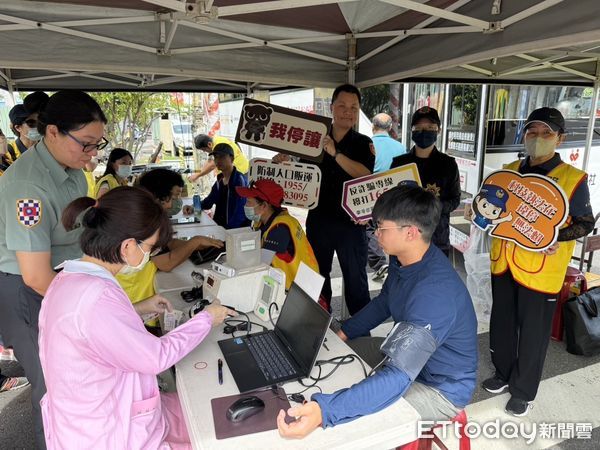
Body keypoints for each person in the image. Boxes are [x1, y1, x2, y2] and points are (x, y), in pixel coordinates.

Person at [38, 187, 234, 449]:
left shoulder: (69, 278)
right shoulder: (98, 297)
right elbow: (156, 357)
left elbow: (91, 331)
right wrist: (207, 318)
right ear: (128, 245)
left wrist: (139, 308)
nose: (149, 256)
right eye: (150, 248)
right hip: (110, 433)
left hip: (86, 417)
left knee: (203, 410)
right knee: (215, 421)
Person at [276, 184, 478, 438]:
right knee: (327, 357)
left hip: (439, 388)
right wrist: (343, 333)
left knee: (351, 424)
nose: (376, 235)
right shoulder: (403, 259)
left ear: (411, 233)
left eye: (382, 228)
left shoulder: (435, 293)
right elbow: (384, 303)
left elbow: (398, 376)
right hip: (407, 355)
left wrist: (324, 411)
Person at [0, 90, 108, 449]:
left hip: (63, 280)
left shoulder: (72, 169)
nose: (92, 153)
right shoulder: (27, 187)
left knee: (74, 373)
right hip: (26, 291)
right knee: (52, 386)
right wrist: (89, 305)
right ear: (53, 133)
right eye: (86, 144)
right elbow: (34, 274)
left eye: (98, 144)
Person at [482, 107, 595, 417]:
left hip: (541, 271)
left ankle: (523, 390)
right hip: (504, 261)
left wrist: (554, 237)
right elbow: (489, 206)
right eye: (533, 132)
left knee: (533, 332)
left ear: (560, 138)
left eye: (547, 133)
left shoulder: (571, 179)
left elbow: (585, 224)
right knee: (502, 323)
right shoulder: (509, 170)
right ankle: (503, 373)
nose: (538, 138)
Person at [273, 84, 374, 315]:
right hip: (319, 221)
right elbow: (297, 173)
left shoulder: (362, 142)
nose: (348, 112)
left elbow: (365, 174)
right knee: (317, 277)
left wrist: (335, 153)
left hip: (351, 225)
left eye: (354, 108)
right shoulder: (312, 137)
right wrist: (283, 162)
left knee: (356, 283)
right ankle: (319, 325)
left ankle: (361, 335)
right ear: (331, 108)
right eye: (342, 106)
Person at [127, 168, 223, 329]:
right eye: (175, 195)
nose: (175, 202)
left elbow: (168, 244)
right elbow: (166, 263)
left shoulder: (146, 213)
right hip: (135, 297)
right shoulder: (145, 222)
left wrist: (196, 245)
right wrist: (193, 243)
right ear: (160, 195)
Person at [390, 107, 461, 257]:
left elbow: (455, 200)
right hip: (403, 238)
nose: (424, 131)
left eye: (430, 127)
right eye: (419, 127)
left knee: (435, 280)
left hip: (436, 239)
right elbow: (389, 199)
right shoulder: (399, 164)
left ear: (439, 130)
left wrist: (432, 207)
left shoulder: (448, 164)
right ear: (412, 130)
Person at [236, 178, 319, 289]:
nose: (245, 205)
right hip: (293, 283)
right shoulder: (262, 221)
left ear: (264, 206)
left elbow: (261, 265)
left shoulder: (280, 227)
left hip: (302, 290)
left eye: (249, 202)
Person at [369, 113, 406, 280]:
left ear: (373, 126)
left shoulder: (367, 144)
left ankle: (378, 262)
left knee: (370, 228)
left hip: (369, 196)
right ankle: (393, 262)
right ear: (390, 128)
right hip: (392, 198)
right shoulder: (400, 147)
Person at [200, 143, 250, 229]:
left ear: (232, 158)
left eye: (222, 157)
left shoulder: (240, 181)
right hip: (220, 230)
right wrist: (194, 207)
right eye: (216, 157)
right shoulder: (219, 182)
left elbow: (241, 211)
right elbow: (208, 202)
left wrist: (228, 230)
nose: (218, 160)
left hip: (236, 232)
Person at [3, 92, 50, 170]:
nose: (38, 127)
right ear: (18, 127)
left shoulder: (47, 147)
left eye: (41, 122)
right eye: (31, 123)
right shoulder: (9, 153)